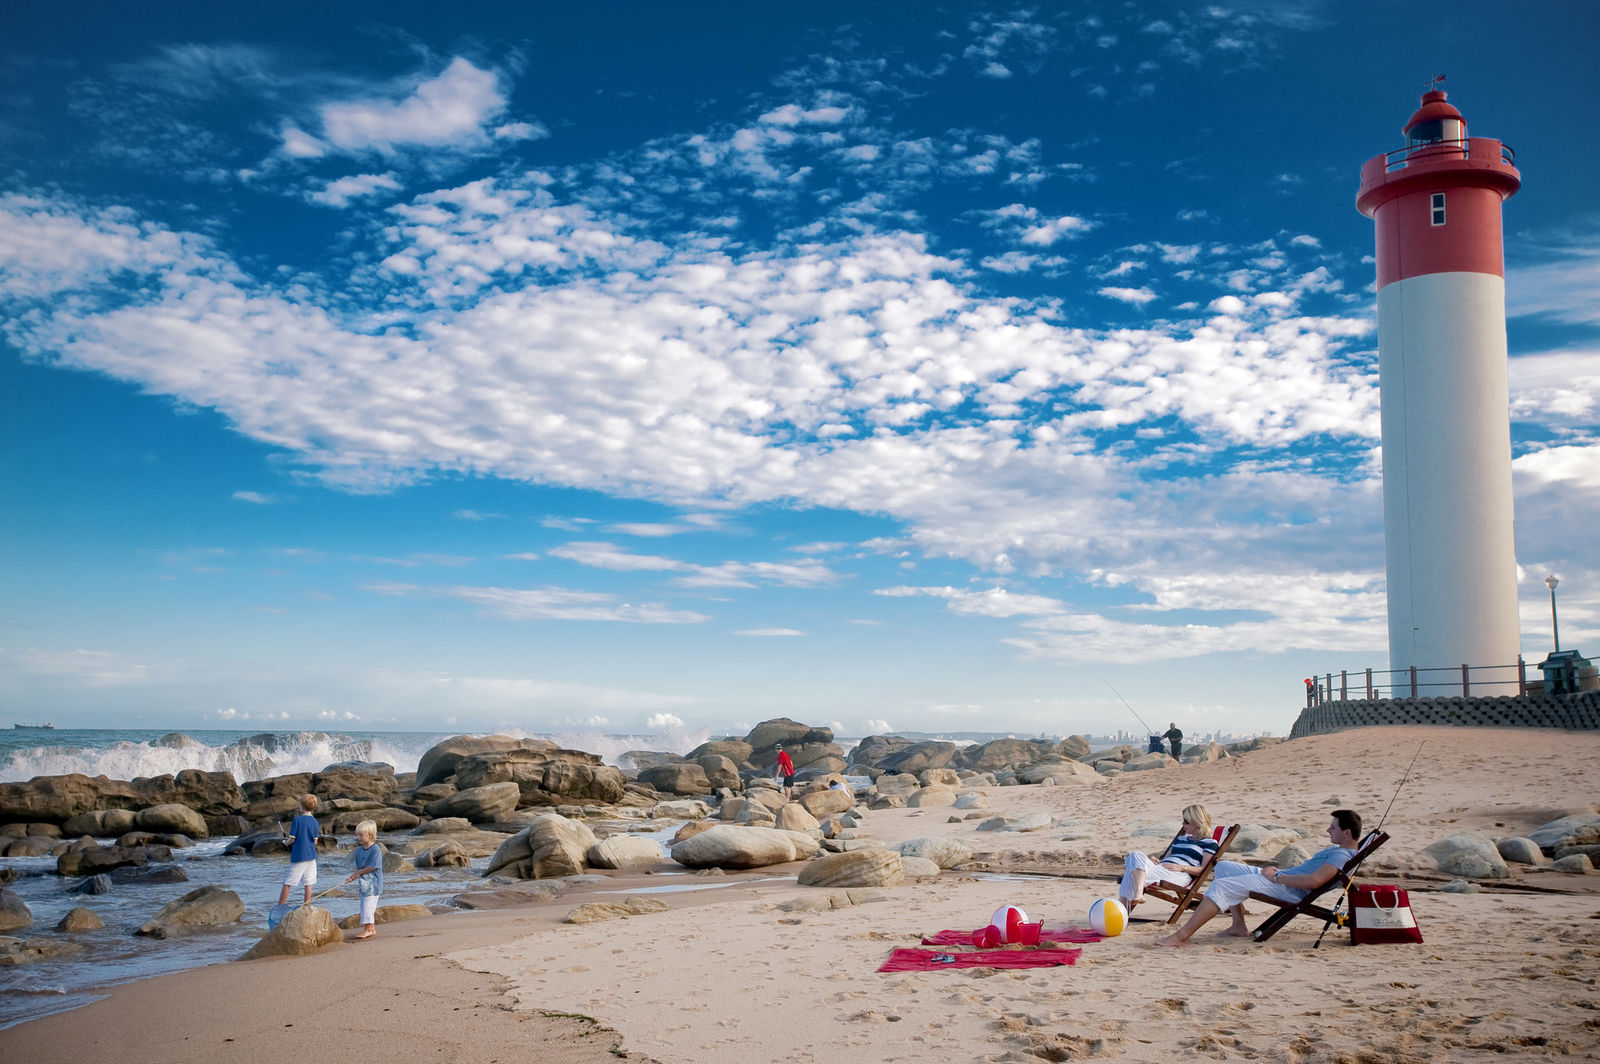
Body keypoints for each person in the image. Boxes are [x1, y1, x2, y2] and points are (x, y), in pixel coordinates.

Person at [1156, 809, 1363, 947]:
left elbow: (1314, 882)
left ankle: (1182, 936)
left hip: (1289, 889)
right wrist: (1278, 875)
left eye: (1333, 827)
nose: (1328, 829)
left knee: (1222, 885)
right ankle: (1238, 926)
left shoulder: (1341, 855)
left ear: (1346, 833)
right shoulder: (1340, 851)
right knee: (1225, 867)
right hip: (1282, 879)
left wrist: (1277, 877)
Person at [1119, 804, 1218, 911]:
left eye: (1186, 821)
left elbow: (1204, 870)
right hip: (1163, 869)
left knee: (1131, 872)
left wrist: (1183, 868)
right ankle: (1136, 896)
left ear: (1198, 822)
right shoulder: (1181, 839)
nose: (1183, 824)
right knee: (1135, 854)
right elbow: (1166, 859)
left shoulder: (1209, 843)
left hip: (1180, 875)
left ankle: (1122, 909)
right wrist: (1158, 861)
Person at [277, 793, 320, 908]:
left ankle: (280, 906)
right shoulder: (315, 822)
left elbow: (292, 839)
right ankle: (307, 905)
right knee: (308, 882)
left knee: (288, 882)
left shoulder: (297, 820)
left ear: (301, 806)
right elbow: (315, 841)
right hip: (311, 856)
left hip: (300, 856)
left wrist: (285, 843)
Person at [344, 819, 383, 940]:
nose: (358, 837)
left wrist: (358, 873)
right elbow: (359, 868)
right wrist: (353, 876)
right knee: (364, 905)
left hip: (374, 883)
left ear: (370, 835)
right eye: (357, 835)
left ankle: (368, 929)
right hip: (364, 883)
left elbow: (372, 867)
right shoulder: (359, 851)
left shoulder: (375, 849)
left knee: (368, 906)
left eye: (361, 835)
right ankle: (371, 927)